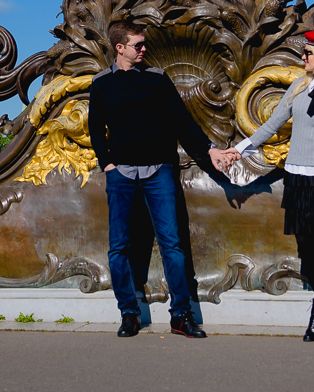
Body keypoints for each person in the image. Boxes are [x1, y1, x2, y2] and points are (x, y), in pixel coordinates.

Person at [87, 21, 231, 339]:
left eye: (143, 44)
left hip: (159, 172)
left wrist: (210, 151)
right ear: (119, 47)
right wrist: (107, 164)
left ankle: (180, 316)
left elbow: (182, 121)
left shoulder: (156, 79)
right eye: (137, 45)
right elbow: (96, 128)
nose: (143, 49)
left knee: (172, 245)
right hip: (121, 175)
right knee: (119, 247)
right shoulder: (101, 83)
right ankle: (129, 314)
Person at [222, 30, 314, 344]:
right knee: (308, 246)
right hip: (298, 175)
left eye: (308, 54)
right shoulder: (298, 87)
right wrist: (240, 149)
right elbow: (272, 125)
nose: (303, 59)